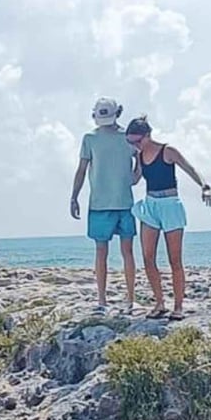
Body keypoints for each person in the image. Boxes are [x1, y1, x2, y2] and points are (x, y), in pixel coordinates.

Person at [126, 116, 211, 320]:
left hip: (170, 204)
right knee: (148, 258)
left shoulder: (168, 151)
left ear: (147, 135)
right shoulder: (138, 156)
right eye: (130, 142)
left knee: (175, 259)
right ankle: (159, 303)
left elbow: (190, 168)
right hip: (150, 205)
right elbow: (134, 179)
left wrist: (205, 187)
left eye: (137, 141)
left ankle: (178, 307)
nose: (135, 145)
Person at [70, 97, 137, 312]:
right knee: (102, 252)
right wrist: (74, 196)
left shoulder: (128, 137)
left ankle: (130, 297)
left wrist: (137, 175)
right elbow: (81, 169)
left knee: (126, 251)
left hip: (122, 201)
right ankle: (102, 299)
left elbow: (142, 158)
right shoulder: (90, 138)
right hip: (100, 202)